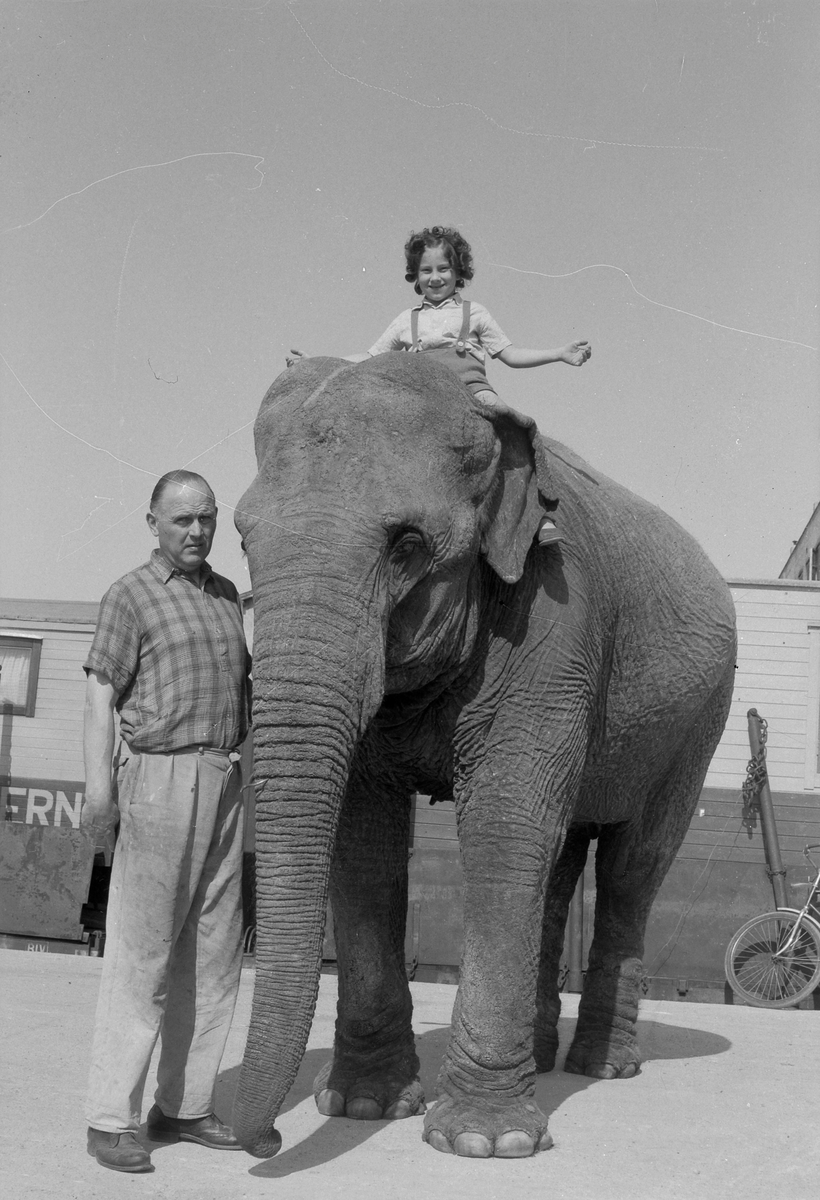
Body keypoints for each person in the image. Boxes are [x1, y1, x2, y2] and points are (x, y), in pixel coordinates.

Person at [81, 469, 251, 1174]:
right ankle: (109, 1117)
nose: (197, 531)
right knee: (142, 955)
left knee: (213, 956)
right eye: (181, 519)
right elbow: (98, 691)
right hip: (158, 778)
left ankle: (182, 1105)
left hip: (225, 777)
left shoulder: (225, 597)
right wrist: (98, 790)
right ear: (152, 521)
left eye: (206, 518)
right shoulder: (131, 594)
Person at [287, 225, 591, 544]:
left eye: (443, 268)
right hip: (425, 400)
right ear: (415, 276)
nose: (435, 277)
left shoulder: (476, 314)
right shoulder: (407, 320)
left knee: (515, 425)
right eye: (426, 270)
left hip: (472, 393)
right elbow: (370, 355)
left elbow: (510, 354)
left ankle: (537, 516)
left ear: (458, 272)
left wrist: (559, 354)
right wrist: (319, 363)